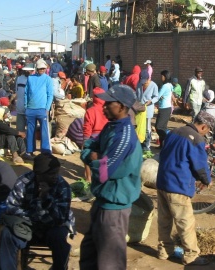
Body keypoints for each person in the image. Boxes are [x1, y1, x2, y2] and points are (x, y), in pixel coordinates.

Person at [79, 85, 142, 270]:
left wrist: (95, 158)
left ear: (122, 107)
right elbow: (89, 146)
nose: (104, 107)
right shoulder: (110, 127)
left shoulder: (124, 136)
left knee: (110, 261)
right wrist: (92, 156)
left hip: (114, 206)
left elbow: (106, 172)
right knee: (89, 253)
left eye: (109, 104)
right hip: (102, 200)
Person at [156, 111, 214, 266]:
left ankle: (164, 251)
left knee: (164, 219)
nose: (207, 133)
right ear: (203, 126)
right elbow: (200, 165)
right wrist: (206, 179)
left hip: (162, 181)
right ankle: (191, 256)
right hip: (178, 185)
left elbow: (163, 154)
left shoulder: (174, 131)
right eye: (208, 130)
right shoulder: (196, 139)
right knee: (185, 222)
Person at [0, 153, 75, 270]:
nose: (55, 176)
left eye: (56, 172)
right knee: (7, 235)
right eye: (51, 174)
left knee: (59, 240)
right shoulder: (23, 182)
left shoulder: (62, 186)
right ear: (38, 174)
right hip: (27, 222)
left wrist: (45, 198)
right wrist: (31, 217)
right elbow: (11, 206)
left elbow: (60, 217)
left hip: (54, 224)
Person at [24, 59, 54, 158]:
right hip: (30, 109)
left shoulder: (48, 79)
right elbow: (26, 93)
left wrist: (47, 108)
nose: (42, 70)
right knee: (30, 131)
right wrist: (26, 106)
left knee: (44, 131)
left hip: (42, 109)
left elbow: (50, 94)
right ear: (36, 68)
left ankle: (45, 151)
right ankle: (29, 150)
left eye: (43, 68)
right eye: (40, 68)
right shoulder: (30, 78)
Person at [82, 87, 108, 181]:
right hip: (106, 136)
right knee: (104, 157)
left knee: (87, 155)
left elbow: (87, 126)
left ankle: (88, 178)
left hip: (93, 136)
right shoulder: (107, 109)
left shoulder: (90, 111)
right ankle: (103, 177)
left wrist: (85, 139)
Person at [136, 70, 159, 151]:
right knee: (139, 126)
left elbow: (156, 97)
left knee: (147, 128)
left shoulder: (154, 85)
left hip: (148, 110)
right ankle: (140, 143)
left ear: (148, 78)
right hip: (139, 110)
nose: (143, 83)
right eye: (142, 81)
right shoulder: (139, 84)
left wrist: (151, 101)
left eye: (144, 81)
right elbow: (137, 95)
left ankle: (147, 145)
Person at [155, 70, 173, 147]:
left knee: (158, 127)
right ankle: (162, 145)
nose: (161, 78)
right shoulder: (170, 85)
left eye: (162, 76)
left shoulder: (165, 86)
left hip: (164, 108)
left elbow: (158, 96)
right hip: (168, 107)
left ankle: (168, 139)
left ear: (165, 77)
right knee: (163, 127)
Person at [15, 63, 34, 133]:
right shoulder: (32, 79)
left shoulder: (19, 78)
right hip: (29, 107)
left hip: (20, 106)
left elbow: (16, 91)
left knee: (20, 131)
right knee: (30, 131)